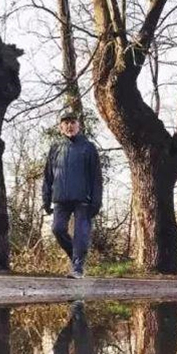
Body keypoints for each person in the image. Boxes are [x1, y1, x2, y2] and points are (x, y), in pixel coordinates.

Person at [42, 108, 103, 278]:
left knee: (81, 234)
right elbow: (48, 176)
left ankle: (77, 267)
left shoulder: (88, 147)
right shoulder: (55, 148)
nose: (69, 126)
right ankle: (77, 259)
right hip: (60, 198)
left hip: (83, 199)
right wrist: (46, 200)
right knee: (57, 229)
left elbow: (96, 177)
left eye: (72, 123)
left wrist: (96, 201)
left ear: (79, 125)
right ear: (61, 127)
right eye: (66, 123)